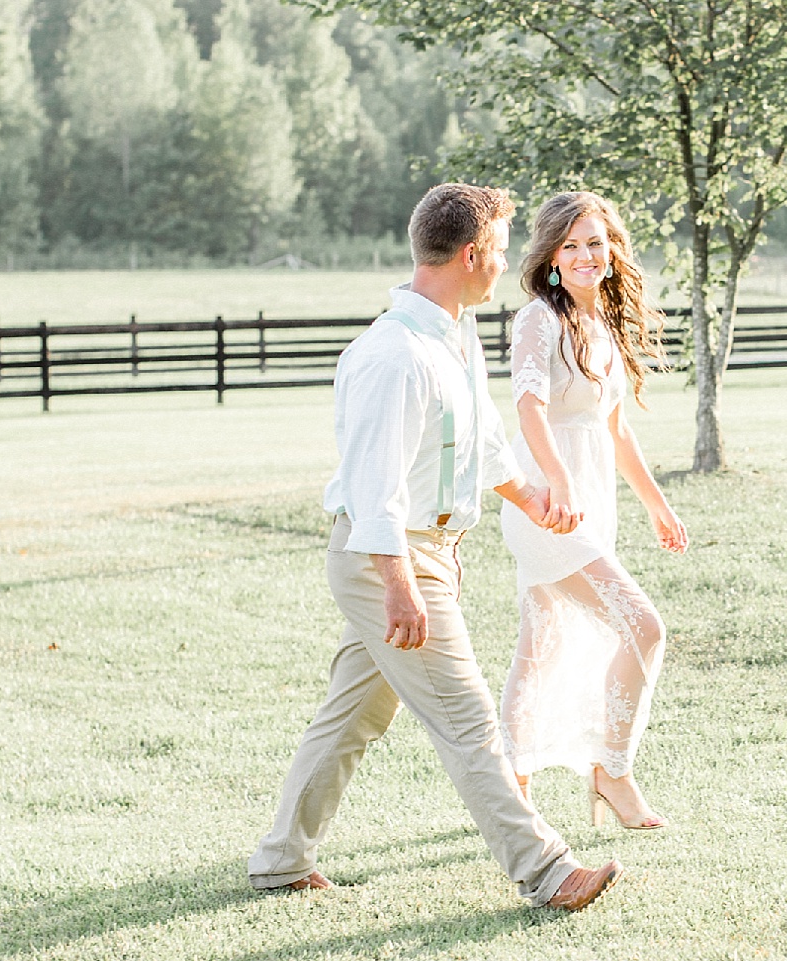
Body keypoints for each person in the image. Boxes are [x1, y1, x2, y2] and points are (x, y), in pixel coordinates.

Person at [247, 183, 621, 913]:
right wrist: (400, 582)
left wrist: (533, 498)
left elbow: (478, 443)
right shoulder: (393, 356)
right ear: (471, 254)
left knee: (353, 713)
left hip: (429, 551)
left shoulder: (455, 335)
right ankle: (547, 871)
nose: (509, 267)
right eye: (503, 253)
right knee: (468, 718)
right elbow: (373, 485)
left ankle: (280, 858)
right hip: (387, 557)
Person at [498, 191, 686, 831]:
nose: (585, 255)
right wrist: (554, 482)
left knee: (541, 642)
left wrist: (658, 507)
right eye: (572, 244)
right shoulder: (537, 320)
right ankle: (613, 770)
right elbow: (528, 406)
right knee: (644, 625)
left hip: (590, 499)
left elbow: (616, 429)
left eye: (596, 243)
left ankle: (511, 783)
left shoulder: (600, 324)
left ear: (612, 251)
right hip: (547, 504)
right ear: (551, 256)